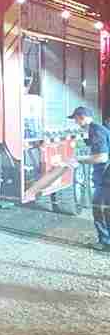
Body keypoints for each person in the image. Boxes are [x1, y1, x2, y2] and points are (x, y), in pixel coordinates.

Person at [69, 106, 109, 252]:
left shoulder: (96, 130)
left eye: (75, 119)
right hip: (105, 177)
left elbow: (101, 157)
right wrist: (76, 143)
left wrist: (78, 159)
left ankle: (105, 242)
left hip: (106, 179)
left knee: (100, 209)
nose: (75, 122)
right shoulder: (96, 129)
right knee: (104, 209)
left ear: (82, 117)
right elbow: (92, 146)